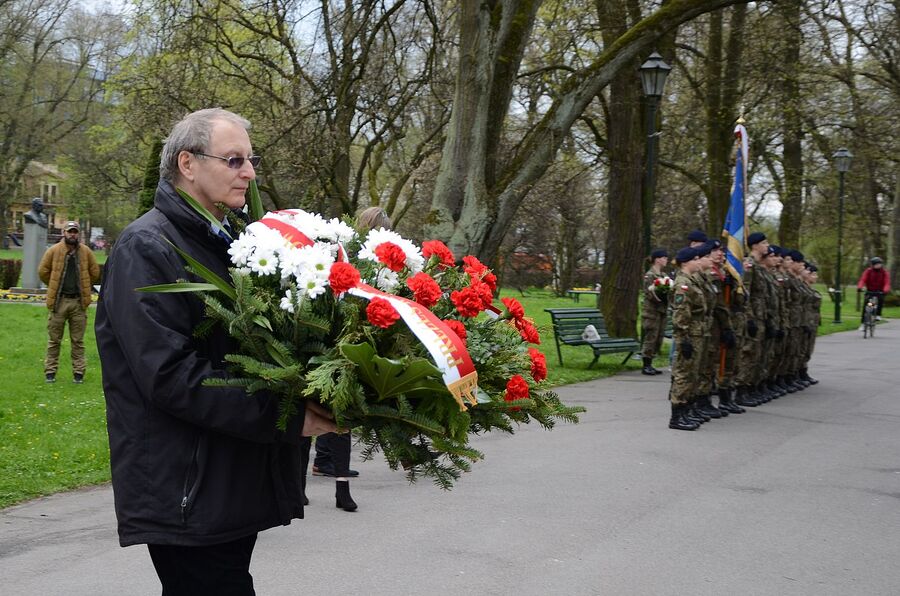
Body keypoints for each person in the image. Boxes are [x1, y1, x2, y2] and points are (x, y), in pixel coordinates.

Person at [95, 108, 334, 594]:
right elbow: (170, 375)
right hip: (187, 484)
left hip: (225, 479)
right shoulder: (148, 247)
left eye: (251, 160)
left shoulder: (231, 244)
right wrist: (284, 417)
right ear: (188, 163)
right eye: (234, 160)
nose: (248, 172)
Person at [38, 220, 100, 383]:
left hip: (79, 303)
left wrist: (85, 285)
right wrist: (53, 284)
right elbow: (43, 271)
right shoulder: (54, 250)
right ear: (63, 233)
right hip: (59, 302)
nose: (72, 234)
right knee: (54, 340)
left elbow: (95, 272)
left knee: (78, 341)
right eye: (69, 231)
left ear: (78, 234)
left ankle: (78, 374)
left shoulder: (86, 252)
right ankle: (50, 373)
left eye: (75, 231)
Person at [667, 246, 708, 431]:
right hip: (689, 334)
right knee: (683, 374)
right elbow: (681, 314)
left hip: (697, 332)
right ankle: (677, 416)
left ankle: (686, 411)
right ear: (686, 262)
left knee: (692, 374)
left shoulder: (692, 282)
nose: (698, 262)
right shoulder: (683, 284)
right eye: (695, 259)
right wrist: (684, 339)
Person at [640, 248, 669, 375]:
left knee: (659, 338)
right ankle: (646, 364)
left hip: (661, 310)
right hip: (652, 311)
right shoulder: (650, 275)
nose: (666, 260)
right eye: (664, 258)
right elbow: (649, 293)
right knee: (651, 337)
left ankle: (651, 362)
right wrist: (661, 295)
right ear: (657, 259)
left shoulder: (663, 276)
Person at [857, 256, 891, 327]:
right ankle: (863, 323)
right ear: (873, 265)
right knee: (868, 305)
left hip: (880, 291)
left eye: (879, 264)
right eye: (876, 264)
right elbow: (863, 280)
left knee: (880, 299)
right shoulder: (868, 271)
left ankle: (878, 314)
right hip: (870, 291)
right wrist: (860, 287)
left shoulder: (884, 272)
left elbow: (887, 282)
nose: (878, 265)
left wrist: (885, 290)